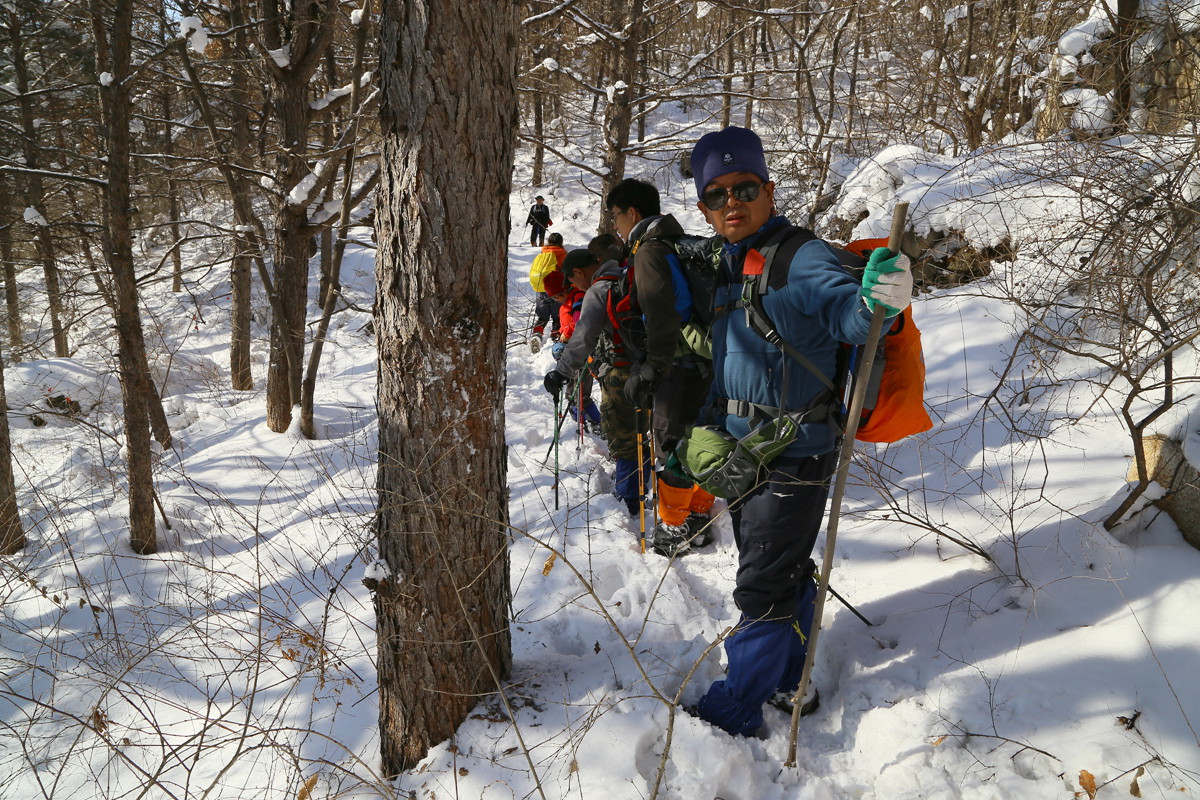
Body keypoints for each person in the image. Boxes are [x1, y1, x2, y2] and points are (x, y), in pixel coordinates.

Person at [685, 126, 912, 736]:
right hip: (746, 451)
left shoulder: (800, 255)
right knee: (780, 566)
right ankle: (791, 676)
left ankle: (736, 706)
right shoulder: (734, 263)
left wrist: (878, 304)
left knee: (762, 585)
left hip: (793, 454)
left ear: (769, 189)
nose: (732, 201)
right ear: (705, 207)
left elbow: (850, 314)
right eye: (716, 195)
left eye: (745, 187)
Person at [605, 178, 716, 558]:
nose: (614, 225)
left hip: (676, 364)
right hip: (702, 359)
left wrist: (652, 368)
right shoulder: (672, 243)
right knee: (701, 438)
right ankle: (698, 515)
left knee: (671, 443)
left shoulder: (648, 251)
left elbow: (661, 314)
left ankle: (674, 527)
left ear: (632, 213)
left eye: (615, 216)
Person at [543, 248, 650, 518]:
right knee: (640, 433)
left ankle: (628, 498)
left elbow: (583, 337)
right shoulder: (627, 277)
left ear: (579, 272)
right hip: (648, 367)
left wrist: (561, 372)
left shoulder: (599, 290)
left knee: (623, 435)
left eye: (573, 280)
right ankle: (638, 486)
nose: (574, 287)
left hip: (620, 373)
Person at [529, 232, 567, 341]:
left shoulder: (542, 254)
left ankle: (536, 334)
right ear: (561, 242)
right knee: (557, 316)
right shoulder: (562, 255)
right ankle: (555, 336)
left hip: (541, 288)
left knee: (542, 316)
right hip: (556, 290)